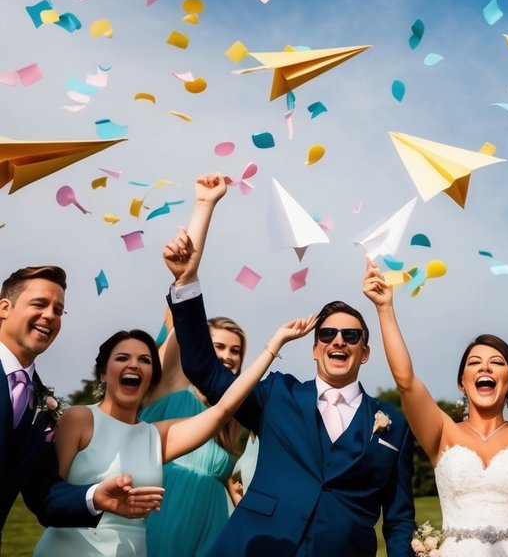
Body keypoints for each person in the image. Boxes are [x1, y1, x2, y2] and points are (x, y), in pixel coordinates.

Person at [164, 174, 415, 557]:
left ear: (365, 353)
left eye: (350, 337)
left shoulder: (393, 424)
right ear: (314, 349)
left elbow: (398, 519)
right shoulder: (276, 394)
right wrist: (186, 280)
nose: (338, 341)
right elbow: (204, 370)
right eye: (328, 334)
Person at [33, 311, 315, 556]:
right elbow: (47, 496)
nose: (134, 365)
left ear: (150, 376)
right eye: (122, 358)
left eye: (144, 360)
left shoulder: (157, 437)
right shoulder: (79, 418)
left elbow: (225, 408)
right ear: (103, 372)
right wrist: (94, 497)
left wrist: (274, 344)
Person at [362, 258, 508, 556]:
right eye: (474, 363)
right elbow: (405, 381)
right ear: (462, 382)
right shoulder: (441, 432)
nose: (486, 368)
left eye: (497, 363)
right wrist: (384, 308)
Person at [0, 264, 164, 543]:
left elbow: (43, 496)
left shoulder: (40, 407)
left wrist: (95, 496)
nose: (50, 315)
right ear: (4, 308)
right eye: (40, 304)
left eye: (58, 310)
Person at [141, 312, 249, 555]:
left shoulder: (232, 418)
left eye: (235, 351)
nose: (227, 356)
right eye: (219, 347)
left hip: (212, 522)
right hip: (163, 513)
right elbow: (176, 324)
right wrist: (184, 284)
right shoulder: (170, 388)